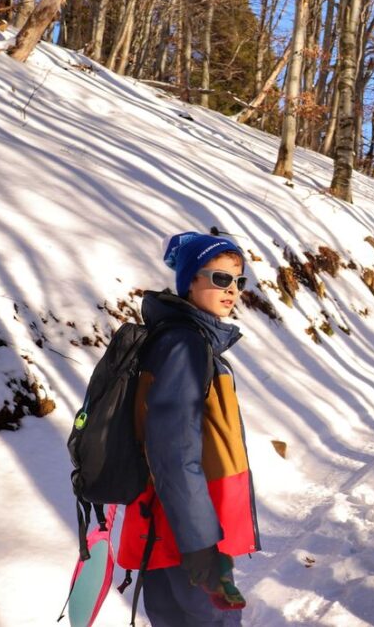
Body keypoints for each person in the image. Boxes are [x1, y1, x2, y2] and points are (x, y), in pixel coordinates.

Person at [117, 231, 260, 627]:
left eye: (238, 281)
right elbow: (175, 452)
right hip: (186, 534)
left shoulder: (172, 339)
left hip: (163, 527)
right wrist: (201, 546)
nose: (231, 290)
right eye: (219, 278)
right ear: (189, 282)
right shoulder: (185, 346)